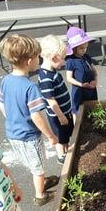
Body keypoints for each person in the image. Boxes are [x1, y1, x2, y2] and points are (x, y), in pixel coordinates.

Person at [0, 35, 59, 206]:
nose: (40, 59)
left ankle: (42, 180)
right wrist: (51, 136)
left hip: (12, 133)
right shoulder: (30, 87)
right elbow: (36, 116)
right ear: (30, 61)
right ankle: (40, 195)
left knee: (32, 162)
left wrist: (13, 120)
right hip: (29, 136)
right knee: (38, 167)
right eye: (38, 57)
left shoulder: (7, 81)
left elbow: (2, 104)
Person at [38, 35, 74, 165]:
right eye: (62, 59)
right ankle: (61, 156)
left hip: (65, 112)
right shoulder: (46, 77)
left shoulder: (52, 71)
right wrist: (60, 116)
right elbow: (50, 100)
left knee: (66, 134)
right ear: (53, 58)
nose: (64, 62)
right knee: (60, 136)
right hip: (58, 115)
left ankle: (67, 150)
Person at [65, 27, 98, 123]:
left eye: (86, 47)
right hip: (79, 91)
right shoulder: (71, 61)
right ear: (74, 48)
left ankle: (92, 124)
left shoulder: (87, 57)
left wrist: (95, 80)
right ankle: (77, 128)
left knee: (92, 107)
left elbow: (95, 71)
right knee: (77, 111)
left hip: (91, 88)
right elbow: (69, 78)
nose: (84, 50)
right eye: (81, 48)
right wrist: (80, 84)